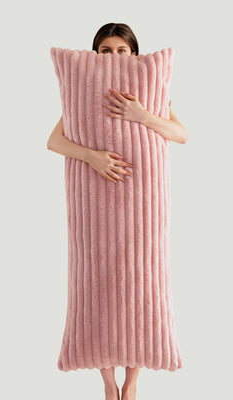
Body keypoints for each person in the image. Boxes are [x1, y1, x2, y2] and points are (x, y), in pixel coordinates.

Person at [47, 22, 188, 400]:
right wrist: (92, 156)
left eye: (121, 50)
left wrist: (143, 115)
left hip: (143, 202)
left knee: (142, 281)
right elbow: (54, 141)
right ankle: (108, 381)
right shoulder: (83, 93)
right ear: (95, 54)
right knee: (97, 282)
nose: (113, 57)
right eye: (105, 50)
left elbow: (181, 134)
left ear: (134, 54)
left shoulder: (149, 88)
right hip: (94, 199)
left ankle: (133, 379)